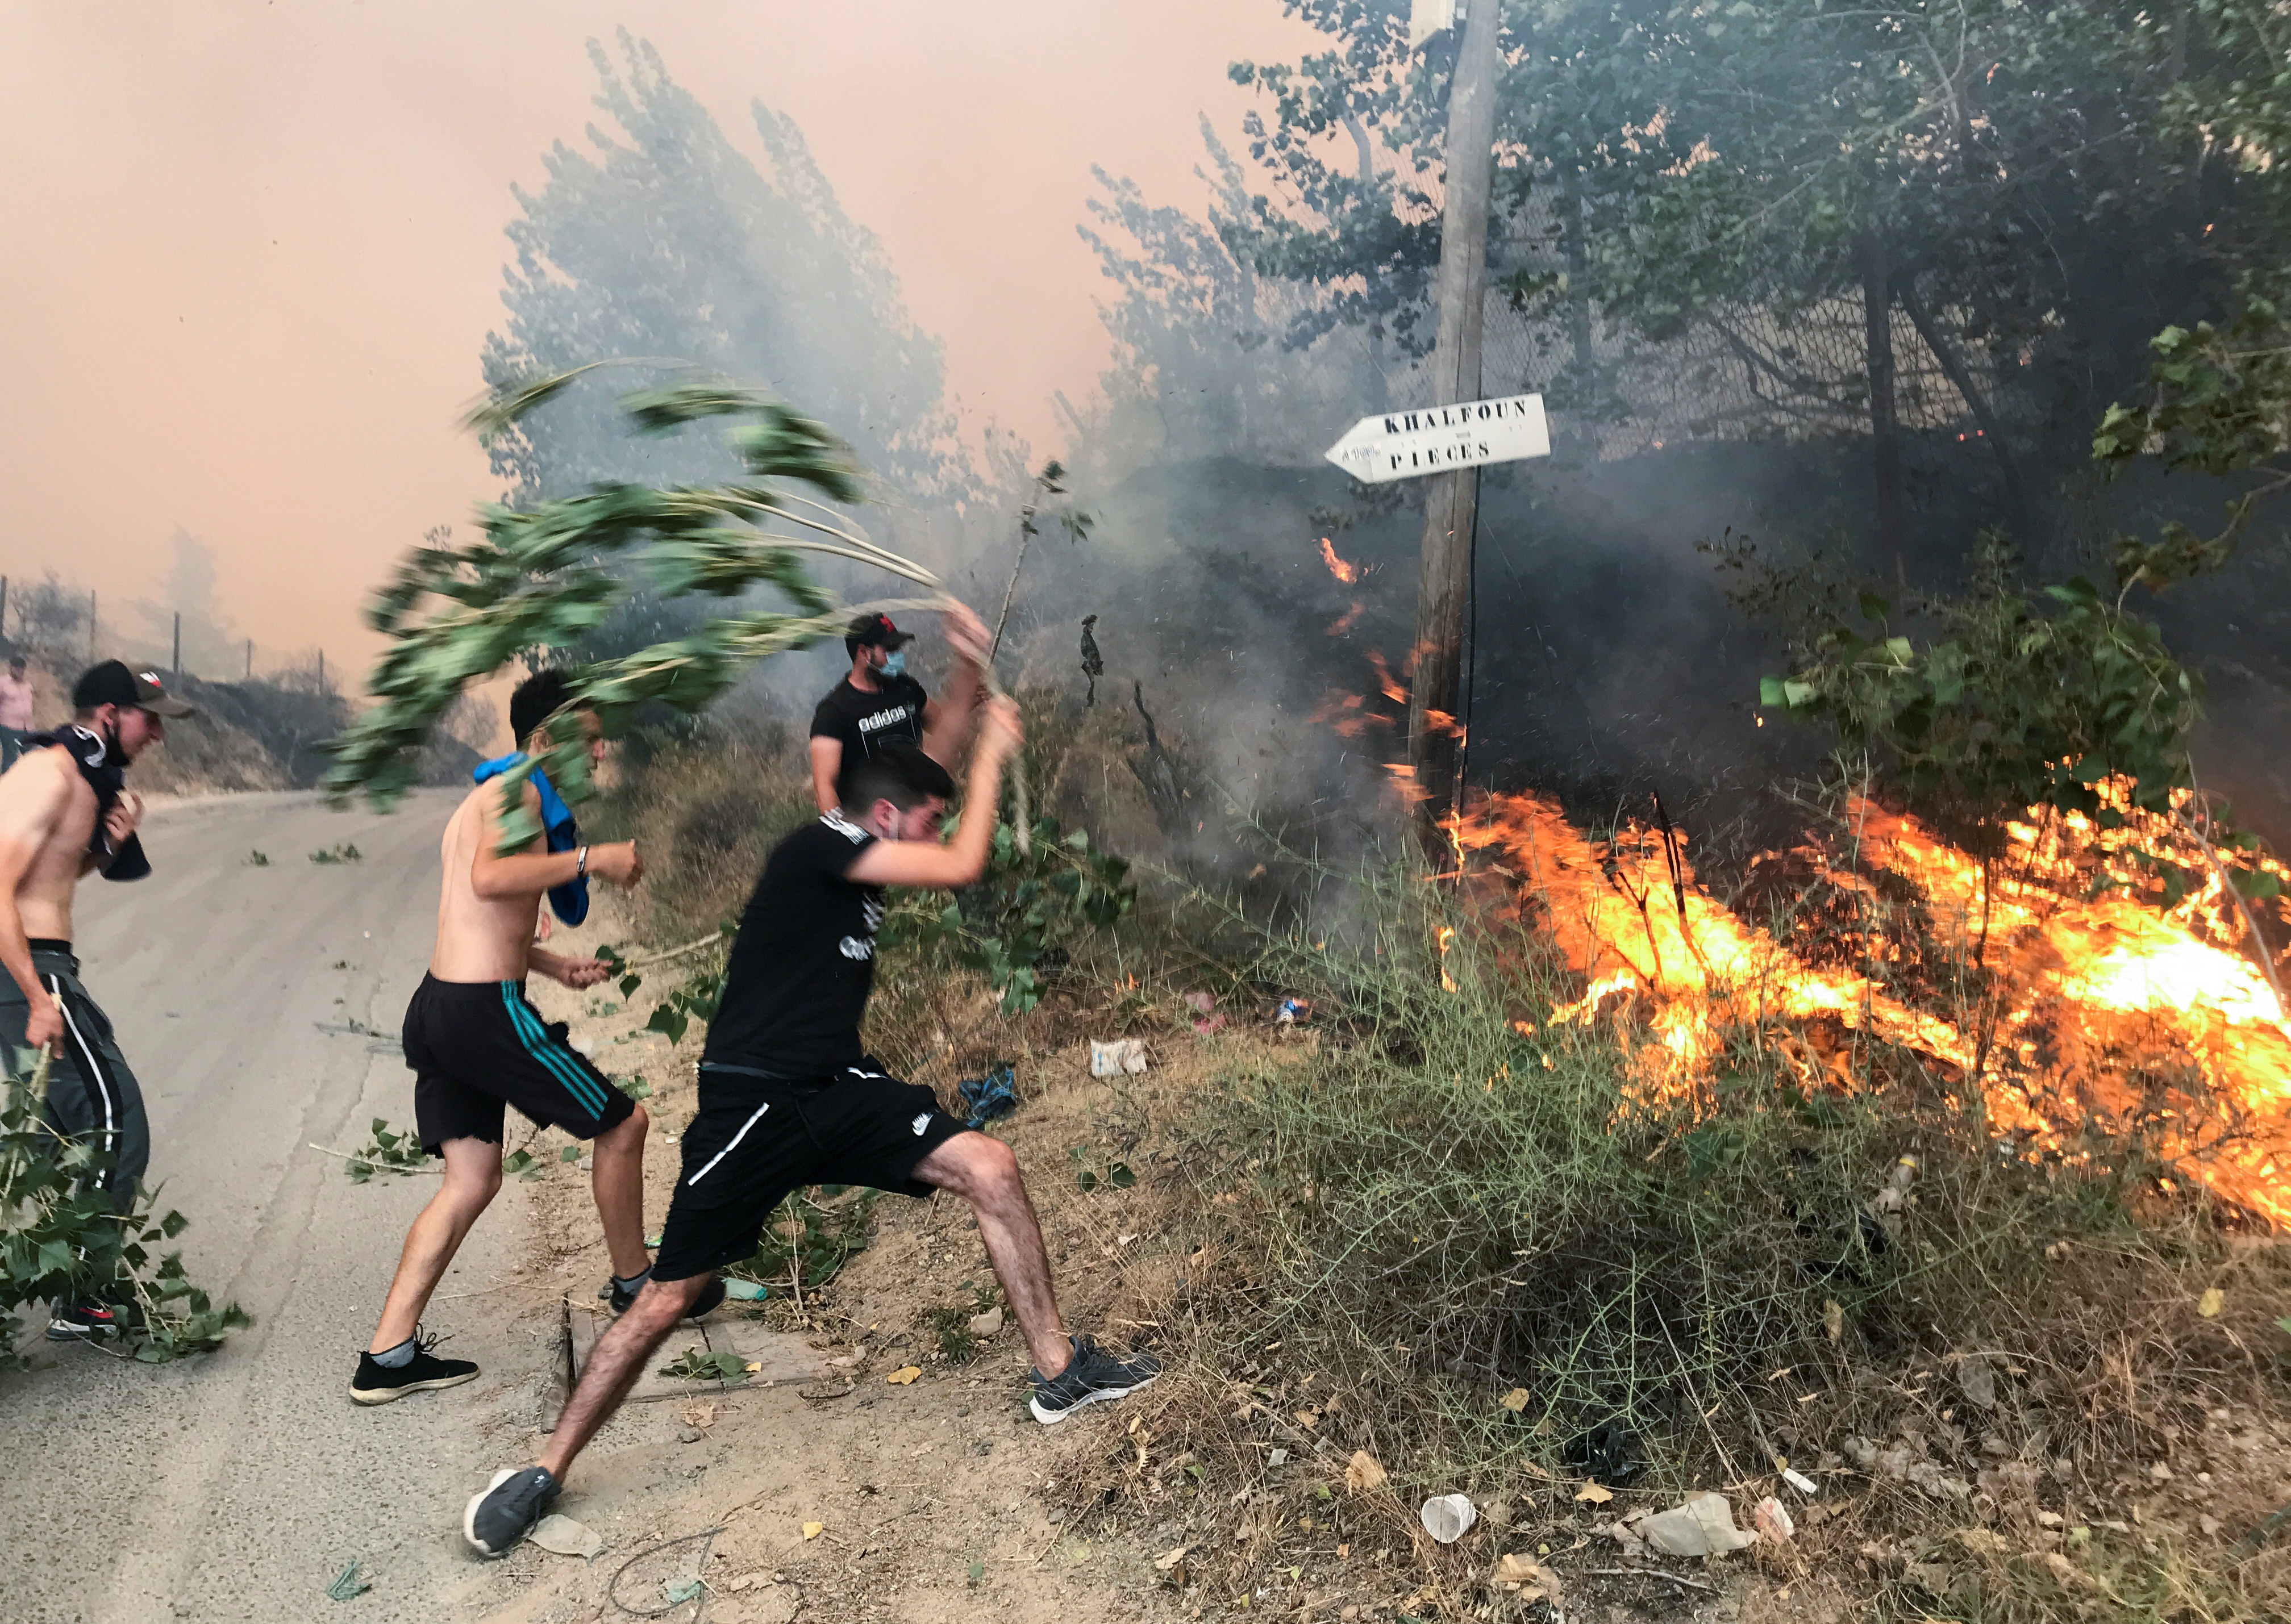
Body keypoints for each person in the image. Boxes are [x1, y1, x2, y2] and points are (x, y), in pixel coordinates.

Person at [461, 709, 1159, 1555]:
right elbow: (963, 856)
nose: (930, 835)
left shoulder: (858, 841)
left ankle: (1061, 1371)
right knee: (670, 1293)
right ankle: (544, 1467)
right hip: (753, 1101)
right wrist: (1001, 753)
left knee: (991, 1164)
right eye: (923, 822)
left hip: (837, 1087)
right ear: (890, 819)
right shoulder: (822, 842)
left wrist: (971, 700)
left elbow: (922, 771)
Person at [350, 670, 722, 1406]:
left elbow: (474, 916)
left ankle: (386, 1353)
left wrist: (552, 961)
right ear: (544, 739)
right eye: (587, 740)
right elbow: (491, 879)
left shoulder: (487, 797)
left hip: (443, 1004)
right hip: (484, 1010)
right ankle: (635, 1286)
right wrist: (595, 858)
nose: (600, 751)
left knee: (472, 1179)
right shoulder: (513, 790)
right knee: (624, 1122)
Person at [0, 661, 193, 1338]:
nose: (156, 739)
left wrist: (105, 845)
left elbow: (47, 873)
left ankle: (72, 1283)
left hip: (39, 967)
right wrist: (36, 995)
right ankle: (83, 1293)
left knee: (67, 1134)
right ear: (110, 714)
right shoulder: (48, 774)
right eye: (149, 721)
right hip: (30, 971)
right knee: (117, 1117)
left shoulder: (79, 780)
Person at [807, 606, 989, 813]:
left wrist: (965, 702)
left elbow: (942, 727)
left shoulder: (906, 688)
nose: (898, 656)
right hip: (871, 826)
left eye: (897, 649)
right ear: (864, 653)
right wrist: (848, 838)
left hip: (916, 818)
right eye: (889, 650)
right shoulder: (834, 712)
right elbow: (824, 787)